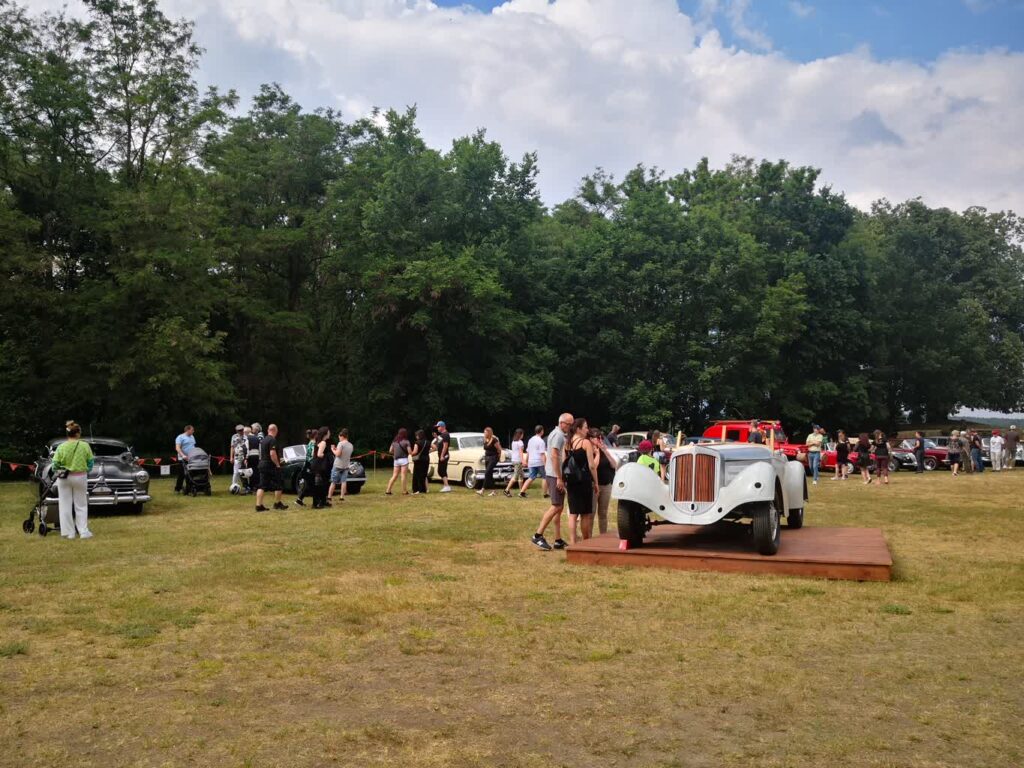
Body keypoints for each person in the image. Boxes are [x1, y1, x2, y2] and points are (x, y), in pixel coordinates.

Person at [531, 413, 572, 551]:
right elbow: (554, 455)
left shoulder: (558, 434)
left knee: (559, 508)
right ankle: (538, 535)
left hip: (555, 474)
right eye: (569, 424)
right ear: (562, 423)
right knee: (556, 506)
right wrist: (559, 477)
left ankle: (558, 540)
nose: (570, 427)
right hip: (555, 475)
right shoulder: (558, 435)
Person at [53, 420, 95, 539]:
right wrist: (86, 470)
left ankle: (68, 533)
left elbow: (55, 464)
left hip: (64, 478)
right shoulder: (85, 445)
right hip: (80, 477)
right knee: (81, 504)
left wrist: (60, 469)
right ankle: (83, 531)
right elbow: (90, 462)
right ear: (77, 433)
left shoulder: (61, 447)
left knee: (65, 505)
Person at [563, 417, 599, 543]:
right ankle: (585, 541)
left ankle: (573, 541)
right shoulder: (585, 443)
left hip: (571, 481)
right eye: (585, 427)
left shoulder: (567, 443)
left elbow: (564, 463)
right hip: (584, 480)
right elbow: (591, 466)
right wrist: (596, 482)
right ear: (578, 429)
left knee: (573, 513)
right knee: (585, 513)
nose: (587, 430)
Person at [590, 427, 619, 535]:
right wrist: (597, 453)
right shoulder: (589, 451)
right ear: (590, 439)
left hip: (606, 485)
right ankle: (589, 537)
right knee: (591, 513)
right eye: (596, 438)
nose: (599, 440)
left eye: (600, 438)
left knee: (603, 513)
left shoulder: (604, 450)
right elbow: (593, 467)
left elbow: (614, 465)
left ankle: (603, 535)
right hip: (594, 485)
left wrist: (605, 451)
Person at [255, 424, 287, 511]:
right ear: (275, 430)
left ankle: (258, 505)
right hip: (270, 465)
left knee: (262, 485)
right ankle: (277, 503)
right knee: (279, 484)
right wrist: (277, 464)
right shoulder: (272, 440)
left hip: (262, 464)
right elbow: (272, 454)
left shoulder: (263, 440)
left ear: (268, 430)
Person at [307, 427, 332, 508]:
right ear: (325, 434)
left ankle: (321, 502)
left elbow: (315, 454)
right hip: (320, 466)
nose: (330, 433)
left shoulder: (318, 441)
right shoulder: (323, 442)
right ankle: (320, 502)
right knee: (322, 484)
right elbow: (319, 454)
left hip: (316, 465)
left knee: (319, 484)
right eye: (328, 432)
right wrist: (327, 455)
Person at [329, 429, 354, 502]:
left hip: (338, 465)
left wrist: (332, 449)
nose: (339, 439)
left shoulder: (340, 443)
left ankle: (329, 496)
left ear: (342, 436)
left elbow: (338, 454)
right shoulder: (351, 445)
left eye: (339, 437)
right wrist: (336, 449)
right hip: (346, 465)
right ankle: (342, 497)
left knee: (333, 481)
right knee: (343, 481)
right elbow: (344, 453)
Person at [521, 425, 546, 498]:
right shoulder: (541, 441)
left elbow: (528, 452)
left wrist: (526, 461)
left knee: (531, 477)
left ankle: (522, 492)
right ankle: (545, 494)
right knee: (545, 477)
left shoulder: (530, 440)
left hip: (531, 461)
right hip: (539, 461)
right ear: (542, 431)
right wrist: (545, 464)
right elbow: (542, 454)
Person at [385, 428, 411, 495]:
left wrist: (395, 453)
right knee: (403, 476)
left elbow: (390, 451)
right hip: (404, 460)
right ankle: (404, 491)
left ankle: (388, 490)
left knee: (394, 475)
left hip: (396, 460)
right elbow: (409, 452)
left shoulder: (394, 442)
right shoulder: (406, 441)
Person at [293, 429, 316, 506]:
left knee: (309, 484)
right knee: (311, 484)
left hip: (307, 464)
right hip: (310, 465)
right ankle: (315, 502)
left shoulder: (310, 443)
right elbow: (312, 455)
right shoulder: (313, 444)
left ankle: (299, 500)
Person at [477, 427, 502, 497]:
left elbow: (499, 449)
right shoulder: (485, 439)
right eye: (484, 432)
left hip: (493, 458)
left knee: (487, 473)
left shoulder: (494, 440)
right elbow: (485, 448)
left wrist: (499, 457)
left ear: (489, 433)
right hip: (487, 458)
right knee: (489, 474)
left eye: (485, 432)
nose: (484, 433)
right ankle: (494, 491)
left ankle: (482, 490)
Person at [503, 428, 526, 497]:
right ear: (520, 434)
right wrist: (523, 461)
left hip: (514, 460)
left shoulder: (513, 442)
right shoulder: (520, 442)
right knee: (515, 476)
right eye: (522, 434)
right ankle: (506, 490)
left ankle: (521, 492)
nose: (523, 435)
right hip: (518, 461)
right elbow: (521, 452)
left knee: (521, 476)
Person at [174, 424, 196, 493]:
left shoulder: (192, 437)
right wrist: (183, 455)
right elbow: (177, 448)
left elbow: (193, 446)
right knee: (182, 474)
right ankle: (177, 489)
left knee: (190, 473)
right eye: (192, 430)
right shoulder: (180, 437)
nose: (193, 431)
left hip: (191, 458)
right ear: (187, 430)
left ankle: (189, 488)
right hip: (182, 458)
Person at [411, 428, 431, 495]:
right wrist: (428, 451)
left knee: (417, 474)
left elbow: (415, 452)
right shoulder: (428, 442)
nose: (416, 437)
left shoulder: (417, 443)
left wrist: (411, 453)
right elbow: (435, 447)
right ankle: (423, 490)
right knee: (424, 475)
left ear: (419, 435)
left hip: (419, 460)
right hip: (426, 459)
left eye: (416, 435)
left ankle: (417, 490)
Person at [434, 421, 452, 493]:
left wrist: (442, 455)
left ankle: (447, 486)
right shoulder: (442, 435)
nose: (437, 428)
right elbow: (439, 443)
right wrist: (436, 437)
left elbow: (445, 446)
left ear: (442, 427)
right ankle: (446, 485)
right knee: (442, 470)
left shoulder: (446, 435)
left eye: (438, 427)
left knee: (441, 470)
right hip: (442, 455)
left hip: (444, 455)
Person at [229, 424, 247, 493]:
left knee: (244, 472)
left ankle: (245, 486)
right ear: (237, 431)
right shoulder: (234, 437)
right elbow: (232, 447)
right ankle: (233, 486)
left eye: (241, 430)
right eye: (239, 431)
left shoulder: (246, 436)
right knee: (236, 472)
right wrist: (231, 457)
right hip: (237, 456)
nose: (240, 432)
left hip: (245, 456)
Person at [247, 423, 263, 490]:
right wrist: (260, 457)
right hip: (257, 455)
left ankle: (252, 485)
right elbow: (260, 448)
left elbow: (247, 448)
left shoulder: (249, 438)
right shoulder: (257, 437)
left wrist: (246, 457)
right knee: (256, 470)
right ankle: (257, 485)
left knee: (251, 470)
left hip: (251, 455)